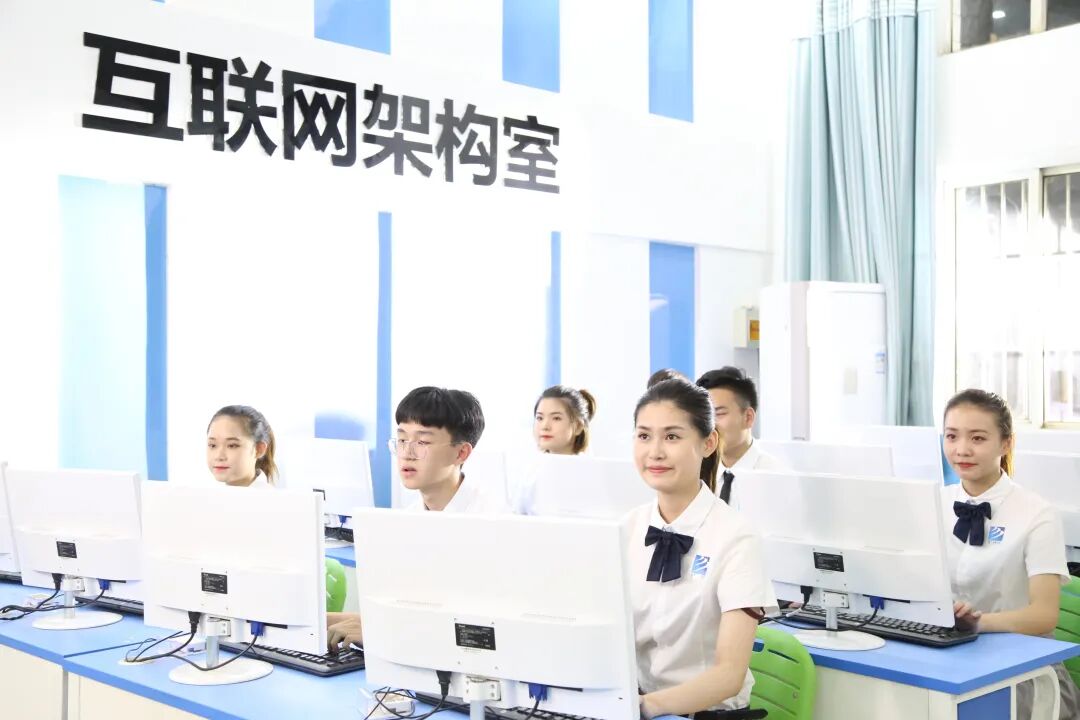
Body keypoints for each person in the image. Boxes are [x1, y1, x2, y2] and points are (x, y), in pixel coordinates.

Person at [626, 379, 775, 718]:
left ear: (708, 443)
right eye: (644, 436)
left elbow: (728, 676)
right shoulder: (627, 529)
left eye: (672, 437)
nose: (655, 451)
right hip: (637, 706)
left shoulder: (737, 538)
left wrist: (645, 708)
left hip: (701, 714)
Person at [326, 386, 508, 649]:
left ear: (461, 453)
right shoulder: (407, 520)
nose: (407, 453)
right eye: (401, 440)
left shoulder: (494, 524)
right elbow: (405, 612)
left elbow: (484, 630)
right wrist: (317, 621)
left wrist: (380, 630)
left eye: (422, 442)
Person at [942, 388, 1080, 719]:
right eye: (952, 436)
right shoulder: (934, 502)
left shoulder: (1037, 513)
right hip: (948, 657)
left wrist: (977, 624)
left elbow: (1044, 615)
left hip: (1023, 674)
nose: (962, 449)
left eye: (977, 438)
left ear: (1006, 443)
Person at [696, 367, 784, 507]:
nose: (709, 425)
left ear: (748, 417)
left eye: (719, 414)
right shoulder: (696, 473)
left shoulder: (776, 477)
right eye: (704, 416)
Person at [206, 405, 277, 487]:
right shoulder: (212, 493)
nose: (219, 456)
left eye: (232, 445)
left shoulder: (269, 495)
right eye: (212, 445)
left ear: (258, 449)